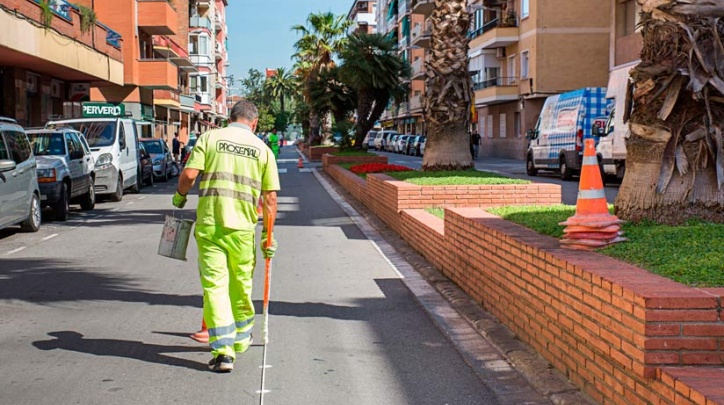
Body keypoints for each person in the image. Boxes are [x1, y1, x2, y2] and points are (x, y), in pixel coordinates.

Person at [172, 99, 280, 373]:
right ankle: (241, 340)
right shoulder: (262, 149)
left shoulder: (210, 138)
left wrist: (180, 196)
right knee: (240, 286)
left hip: (210, 226)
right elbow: (270, 199)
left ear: (230, 117)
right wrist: (268, 236)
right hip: (243, 230)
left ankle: (223, 352)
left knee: (215, 288)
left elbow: (189, 174)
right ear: (254, 123)